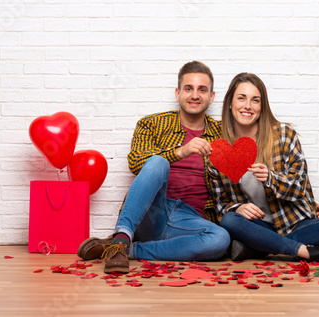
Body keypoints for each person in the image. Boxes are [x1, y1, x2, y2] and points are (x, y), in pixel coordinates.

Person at [77, 61, 230, 273]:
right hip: (153, 211)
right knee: (157, 161)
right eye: (189, 88)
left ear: (211, 97)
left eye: (202, 90)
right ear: (178, 93)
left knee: (221, 239)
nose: (195, 95)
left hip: (190, 221)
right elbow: (136, 163)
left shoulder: (223, 133)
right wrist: (180, 152)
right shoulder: (152, 124)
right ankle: (122, 238)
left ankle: (126, 250)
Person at [208, 72, 319, 263]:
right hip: (259, 227)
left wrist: (271, 178)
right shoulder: (218, 151)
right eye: (241, 98)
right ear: (230, 103)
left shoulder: (285, 135)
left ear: (262, 106)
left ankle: (259, 249)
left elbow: (299, 188)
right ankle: (306, 253)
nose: (247, 106)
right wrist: (238, 208)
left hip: (295, 223)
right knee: (229, 221)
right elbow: (221, 207)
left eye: (255, 100)